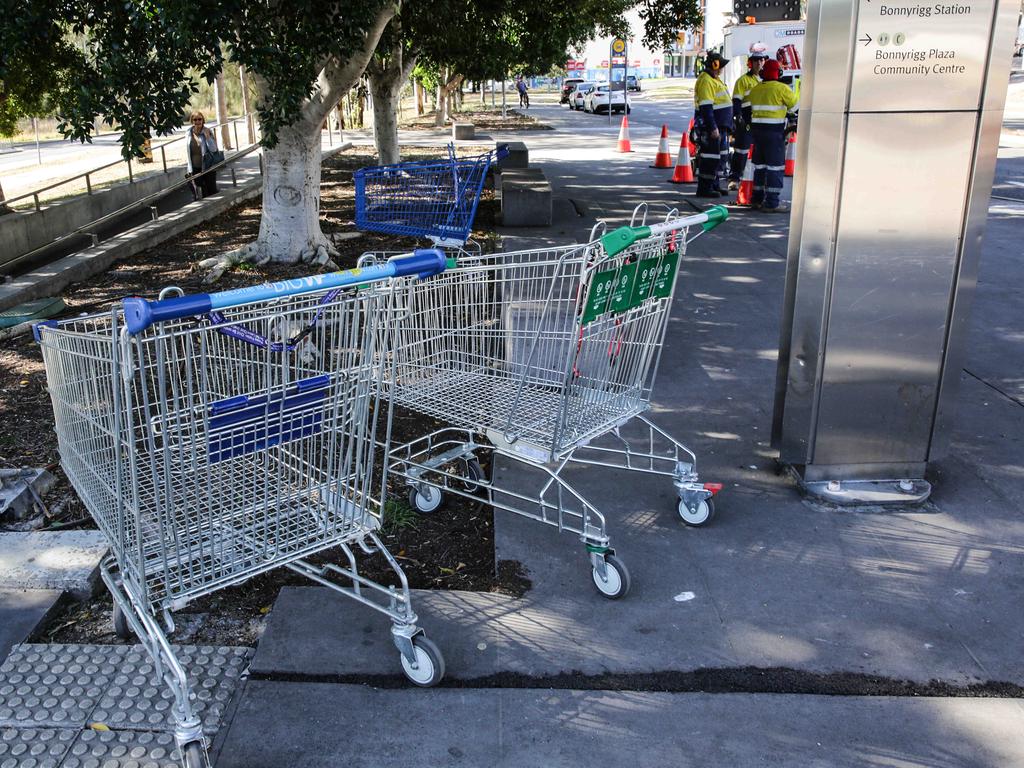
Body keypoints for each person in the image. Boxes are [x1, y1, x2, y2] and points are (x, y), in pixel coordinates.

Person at [744, 58, 799, 212]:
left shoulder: (755, 89)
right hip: (774, 134)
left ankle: (757, 199)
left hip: (757, 134)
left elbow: (746, 109)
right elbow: (796, 108)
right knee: (775, 168)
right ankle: (772, 203)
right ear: (779, 73)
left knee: (760, 167)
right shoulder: (782, 89)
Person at [728, 44, 768, 191]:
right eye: (756, 60)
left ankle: (754, 180)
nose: (759, 63)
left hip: (760, 121)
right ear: (751, 63)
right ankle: (734, 178)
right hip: (746, 120)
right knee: (741, 150)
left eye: (761, 60)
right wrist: (737, 117)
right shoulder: (743, 81)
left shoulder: (766, 80)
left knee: (758, 152)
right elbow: (737, 101)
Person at [692, 51, 732, 198]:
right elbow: (706, 107)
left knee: (717, 158)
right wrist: (712, 127)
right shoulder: (706, 81)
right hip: (712, 127)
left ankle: (714, 185)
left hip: (720, 126)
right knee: (709, 158)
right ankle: (704, 188)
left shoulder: (714, 79)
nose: (721, 68)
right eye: (720, 65)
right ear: (715, 65)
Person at [185, 111, 219, 200]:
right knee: (201, 191)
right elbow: (188, 151)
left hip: (208, 165)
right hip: (195, 167)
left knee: (212, 191)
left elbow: (214, 149)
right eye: (195, 120)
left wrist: (207, 137)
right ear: (192, 121)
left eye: (199, 119)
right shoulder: (188, 133)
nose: (197, 122)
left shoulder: (207, 131)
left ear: (203, 120)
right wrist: (189, 167)